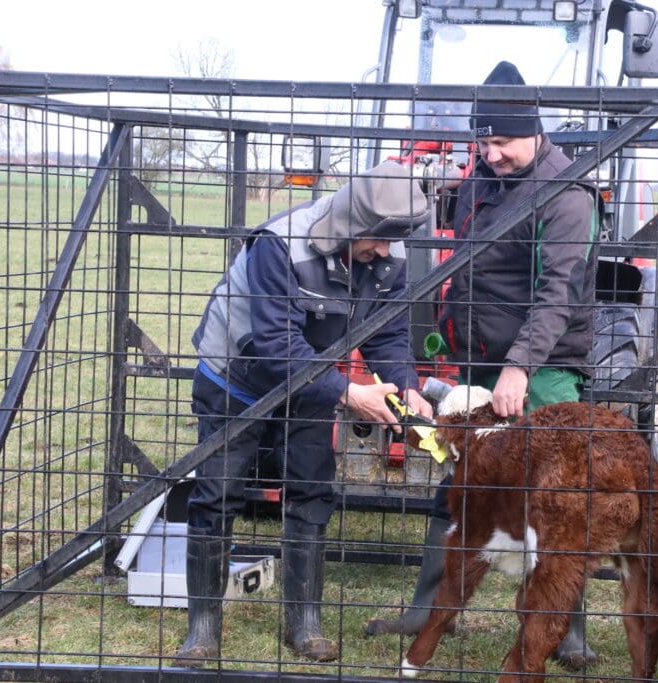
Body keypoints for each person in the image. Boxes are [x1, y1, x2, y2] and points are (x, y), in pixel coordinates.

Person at [365, 61, 600, 669]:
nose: (490, 154)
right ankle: (427, 611)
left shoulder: (567, 195)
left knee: (556, 500)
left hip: (542, 368)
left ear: (534, 131)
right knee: (460, 491)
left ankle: (568, 633)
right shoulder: (479, 182)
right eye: (483, 141)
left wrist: (520, 368)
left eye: (502, 142)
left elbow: (558, 293)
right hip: (477, 361)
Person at [175, 161, 434, 666]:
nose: (385, 251)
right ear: (350, 221)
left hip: (310, 384)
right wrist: (348, 392)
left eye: (392, 241)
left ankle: (304, 623)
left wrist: (406, 387)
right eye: (377, 240)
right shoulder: (279, 244)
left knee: (312, 492)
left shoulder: (389, 250)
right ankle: (202, 629)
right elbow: (275, 344)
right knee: (218, 494)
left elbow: (387, 332)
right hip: (239, 377)